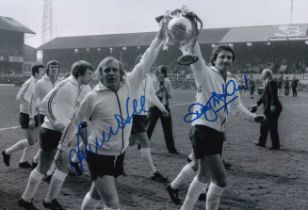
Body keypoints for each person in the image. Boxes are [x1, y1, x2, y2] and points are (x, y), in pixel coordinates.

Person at [56, 23, 166, 210]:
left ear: (121, 73)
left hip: (119, 154)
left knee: (95, 193)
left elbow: (147, 59)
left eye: (114, 69)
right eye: (106, 70)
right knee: (113, 204)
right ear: (100, 75)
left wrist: (160, 36)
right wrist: (61, 148)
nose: (111, 73)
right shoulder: (93, 97)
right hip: (98, 155)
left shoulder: (130, 84)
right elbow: (75, 121)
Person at [179, 43, 265, 210]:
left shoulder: (232, 80)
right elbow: (197, 58)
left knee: (203, 176)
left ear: (232, 60)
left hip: (217, 132)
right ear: (214, 59)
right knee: (221, 180)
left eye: (229, 57)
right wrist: (193, 37)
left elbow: (236, 107)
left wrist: (254, 118)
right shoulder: (204, 73)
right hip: (202, 129)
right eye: (222, 57)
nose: (225, 60)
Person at [18, 61, 94, 210]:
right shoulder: (65, 85)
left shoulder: (85, 88)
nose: (92, 76)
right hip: (51, 131)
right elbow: (44, 104)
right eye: (89, 74)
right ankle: (26, 199)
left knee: (63, 167)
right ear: (80, 73)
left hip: (66, 133)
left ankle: (49, 200)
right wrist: (57, 122)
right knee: (43, 168)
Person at [129, 70, 169, 182]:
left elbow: (152, 96)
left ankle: (117, 166)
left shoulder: (149, 79)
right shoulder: (131, 77)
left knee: (130, 142)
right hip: (133, 115)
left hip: (143, 115)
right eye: (140, 61)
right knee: (145, 141)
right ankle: (153, 171)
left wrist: (162, 108)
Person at [2, 64, 45, 169]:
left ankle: (23, 160)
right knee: (32, 141)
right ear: (36, 73)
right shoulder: (29, 83)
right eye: (42, 72)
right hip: (26, 114)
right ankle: (7, 152)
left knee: (37, 139)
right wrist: (31, 106)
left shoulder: (38, 83)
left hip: (35, 114)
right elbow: (19, 97)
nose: (44, 74)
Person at [30, 60, 61, 169]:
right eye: (52, 67)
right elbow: (34, 99)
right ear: (48, 68)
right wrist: (32, 116)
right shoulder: (40, 82)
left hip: (57, 115)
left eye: (56, 67)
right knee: (48, 142)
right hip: (44, 115)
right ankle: (46, 167)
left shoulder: (61, 82)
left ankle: (36, 160)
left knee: (56, 142)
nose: (54, 69)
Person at [147, 65, 178, 154]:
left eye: (162, 73)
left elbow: (170, 96)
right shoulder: (153, 82)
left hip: (165, 106)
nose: (160, 75)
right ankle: (143, 146)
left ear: (165, 74)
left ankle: (172, 149)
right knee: (149, 127)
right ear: (157, 74)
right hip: (154, 107)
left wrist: (165, 90)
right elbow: (150, 96)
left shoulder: (167, 82)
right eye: (159, 73)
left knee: (168, 129)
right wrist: (159, 91)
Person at [251, 68, 282, 150]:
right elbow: (263, 97)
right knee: (264, 125)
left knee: (272, 126)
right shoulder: (268, 82)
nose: (261, 75)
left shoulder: (271, 82)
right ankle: (262, 142)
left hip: (273, 107)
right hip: (270, 107)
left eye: (262, 73)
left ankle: (275, 145)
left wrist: (273, 105)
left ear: (266, 75)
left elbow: (273, 95)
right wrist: (257, 104)